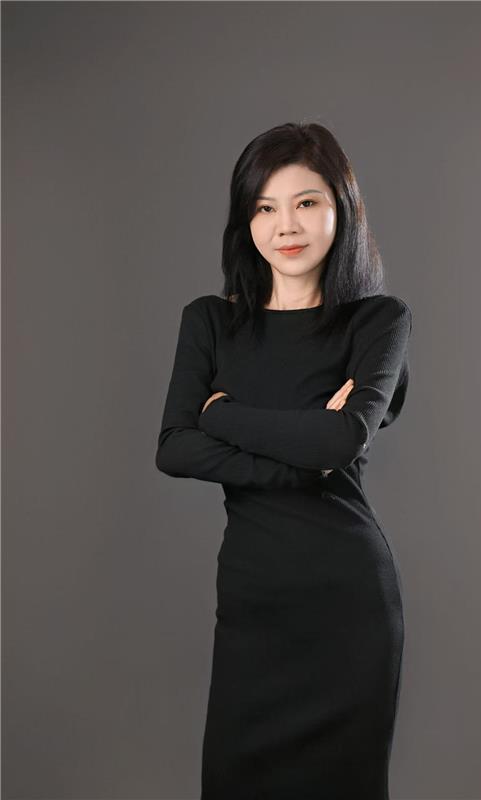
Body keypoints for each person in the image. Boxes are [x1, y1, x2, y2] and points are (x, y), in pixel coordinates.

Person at [155, 121, 413, 800]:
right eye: (265, 207)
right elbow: (173, 448)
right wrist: (301, 459)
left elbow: (340, 442)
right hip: (253, 607)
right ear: (246, 221)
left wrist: (220, 415)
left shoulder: (378, 322)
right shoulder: (210, 321)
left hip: (347, 605)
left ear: (341, 209)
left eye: (306, 202)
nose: (285, 225)